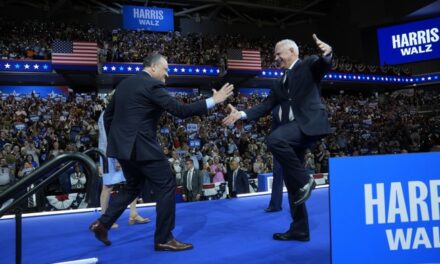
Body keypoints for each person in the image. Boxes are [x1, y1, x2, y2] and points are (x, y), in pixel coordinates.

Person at [89, 53, 234, 251]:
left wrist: (118, 145)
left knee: (132, 186)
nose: (166, 75)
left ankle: (103, 223)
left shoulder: (123, 84)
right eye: (165, 69)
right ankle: (164, 238)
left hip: (122, 148)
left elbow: (108, 117)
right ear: (154, 67)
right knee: (167, 184)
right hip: (142, 147)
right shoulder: (152, 85)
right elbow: (180, 111)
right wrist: (213, 100)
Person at [223, 34, 333, 242]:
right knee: (292, 184)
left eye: (278, 53)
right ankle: (300, 228)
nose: (275, 58)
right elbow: (266, 106)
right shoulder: (279, 82)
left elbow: (323, 65)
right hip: (294, 132)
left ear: (292, 52)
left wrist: (327, 54)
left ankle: (305, 180)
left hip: (309, 124)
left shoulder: (308, 65)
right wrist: (242, 114)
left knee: (274, 139)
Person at [97, 105, 150, 229]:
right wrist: (116, 159)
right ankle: (104, 220)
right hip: (110, 154)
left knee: (131, 183)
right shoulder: (107, 114)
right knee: (107, 187)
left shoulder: (116, 112)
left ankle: (133, 213)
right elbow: (108, 138)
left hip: (120, 152)